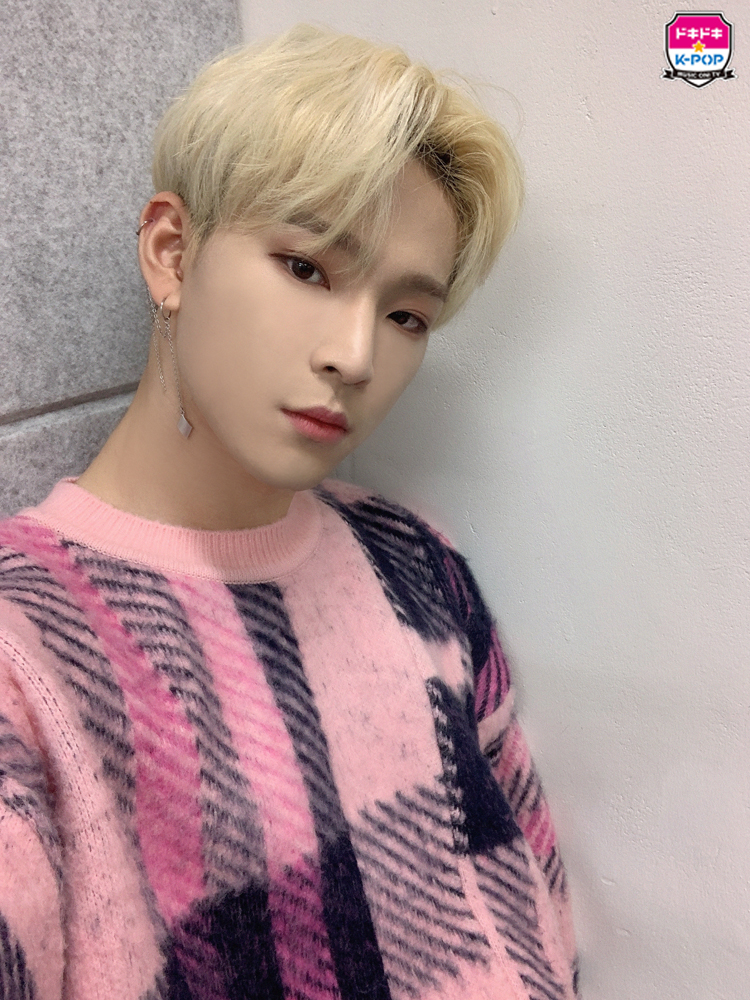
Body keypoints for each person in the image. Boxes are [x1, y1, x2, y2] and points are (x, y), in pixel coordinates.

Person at [0, 24, 577, 1000]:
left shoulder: (415, 565)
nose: (356, 354)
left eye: (406, 315)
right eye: (308, 267)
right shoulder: (25, 655)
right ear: (171, 253)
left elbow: (535, 909)